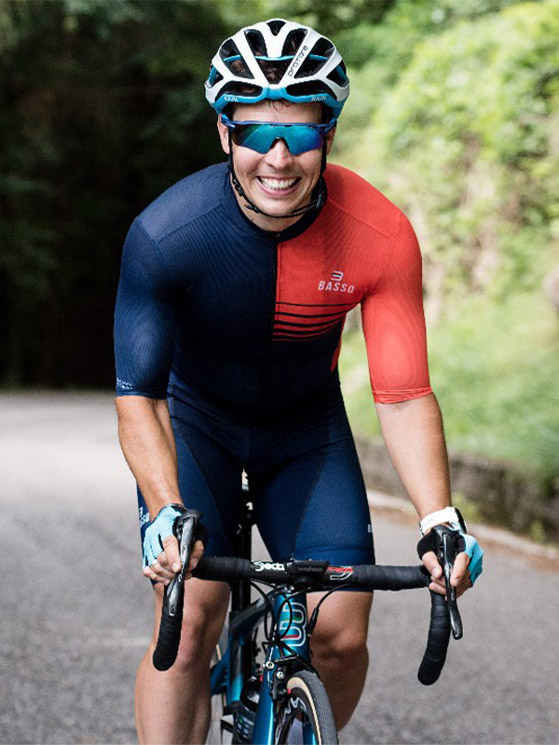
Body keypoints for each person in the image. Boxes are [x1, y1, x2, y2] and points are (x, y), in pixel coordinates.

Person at [114, 18, 483, 744]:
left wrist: (438, 518)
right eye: (256, 132)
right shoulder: (167, 234)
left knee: (341, 635)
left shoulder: (379, 232)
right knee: (189, 619)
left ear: (330, 135)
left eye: (300, 134)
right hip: (195, 422)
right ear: (224, 134)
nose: (277, 158)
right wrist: (164, 509)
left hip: (304, 430)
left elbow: (403, 393)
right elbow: (141, 397)